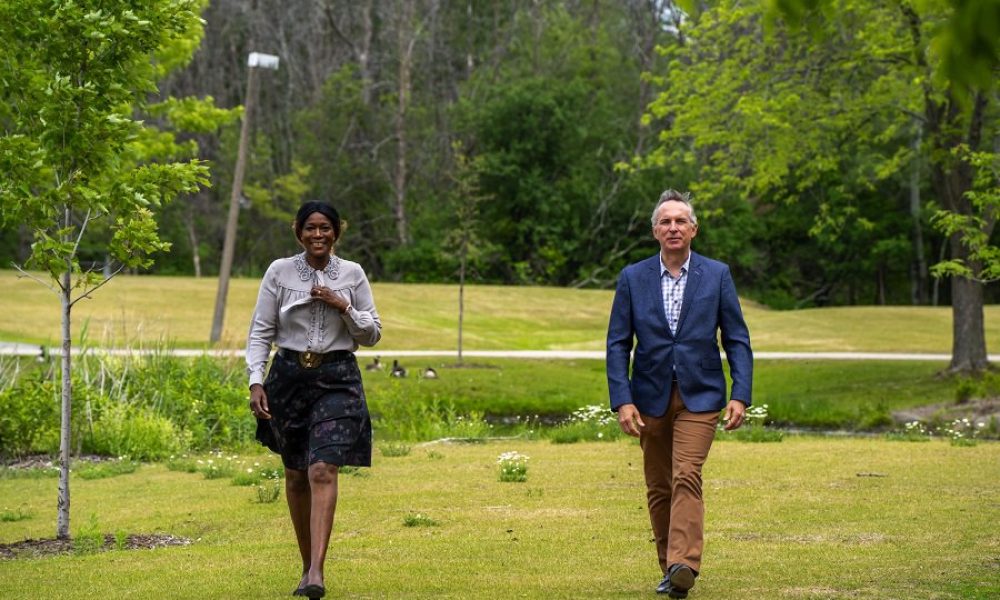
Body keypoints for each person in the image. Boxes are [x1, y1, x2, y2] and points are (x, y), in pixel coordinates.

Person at [606, 189, 752, 598]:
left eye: (680, 221)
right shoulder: (632, 278)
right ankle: (670, 570)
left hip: (700, 396)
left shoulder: (717, 274)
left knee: (686, 473)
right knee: (659, 485)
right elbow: (618, 343)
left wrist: (741, 392)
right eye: (665, 221)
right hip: (647, 396)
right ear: (655, 230)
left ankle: (683, 563)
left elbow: (736, 338)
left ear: (693, 229)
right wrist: (622, 399)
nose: (673, 227)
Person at [247, 201, 382, 599]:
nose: (318, 235)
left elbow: (373, 334)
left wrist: (344, 306)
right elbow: (260, 332)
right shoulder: (279, 271)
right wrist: (257, 381)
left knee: (322, 468)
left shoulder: (353, 274)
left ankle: (317, 573)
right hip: (287, 378)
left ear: (336, 232)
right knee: (295, 473)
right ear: (298, 232)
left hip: (337, 377)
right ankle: (306, 567)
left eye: (325, 228)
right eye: (310, 228)